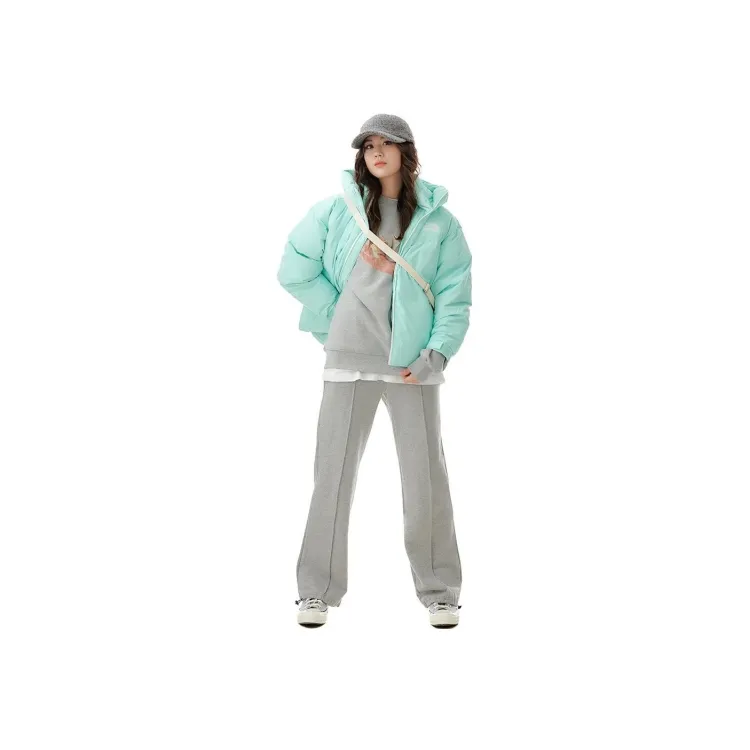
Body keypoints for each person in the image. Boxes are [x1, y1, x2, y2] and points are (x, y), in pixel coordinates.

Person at [277, 114, 472, 629]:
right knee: (332, 480)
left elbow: (455, 294)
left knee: (426, 480)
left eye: (387, 143)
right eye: (368, 146)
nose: (377, 152)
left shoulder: (439, 223)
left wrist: (436, 354)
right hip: (348, 359)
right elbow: (293, 268)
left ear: (407, 151)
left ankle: (440, 592)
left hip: (412, 364)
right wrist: (338, 312)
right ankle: (314, 592)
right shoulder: (336, 210)